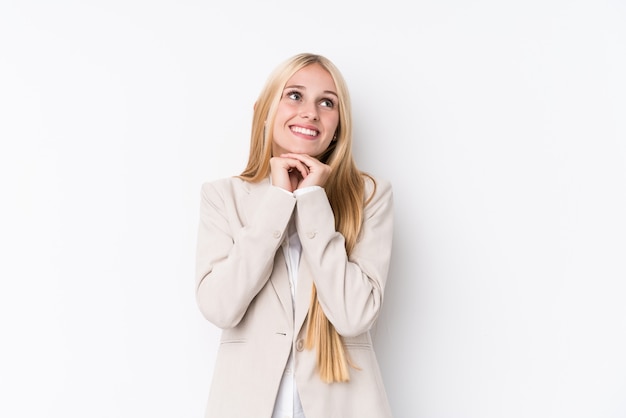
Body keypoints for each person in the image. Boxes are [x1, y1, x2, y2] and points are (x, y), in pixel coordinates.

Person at [195, 52, 394, 418]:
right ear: (265, 111)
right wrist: (278, 200)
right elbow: (220, 306)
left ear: (339, 126)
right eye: (295, 95)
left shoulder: (370, 196)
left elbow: (354, 315)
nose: (310, 112)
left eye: (327, 102)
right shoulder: (223, 196)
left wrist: (311, 199)